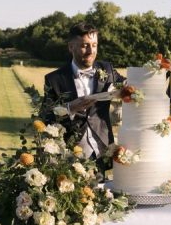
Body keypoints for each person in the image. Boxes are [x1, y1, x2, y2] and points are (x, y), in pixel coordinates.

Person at [43, 22, 123, 161]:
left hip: (102, 149)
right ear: (71, 47)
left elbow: (127, 86)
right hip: (69, 153)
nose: (91, 51)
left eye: (94, 45)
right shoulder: (54, 79)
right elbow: (46, 116)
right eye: (85, 45)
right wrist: (70, 108)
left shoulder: (107, 69)